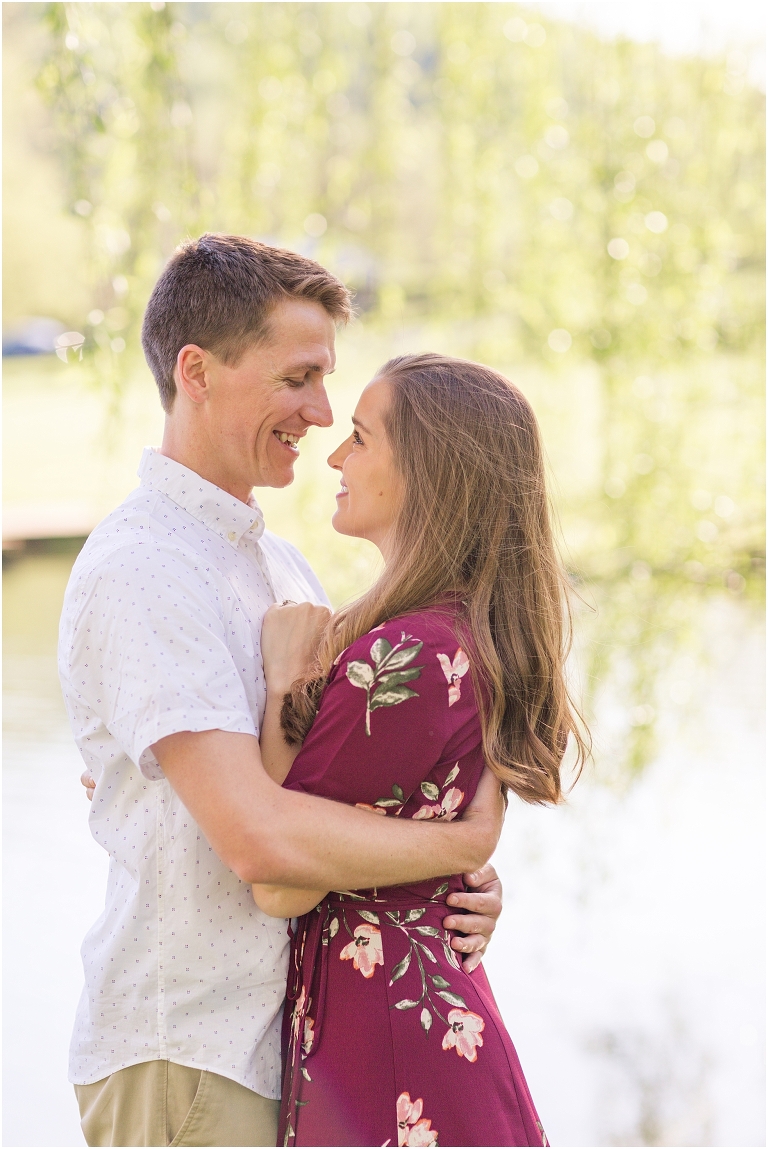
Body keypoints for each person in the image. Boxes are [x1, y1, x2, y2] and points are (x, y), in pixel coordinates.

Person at [61, 235, 505, 1148]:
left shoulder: (280, 566)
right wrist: (455, 840)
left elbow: (348, 789)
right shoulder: (147, 566)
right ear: (199, 371)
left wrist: (454, 883)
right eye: (298, 376)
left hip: (290, 1049)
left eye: (326, 378)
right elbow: (262, 841)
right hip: (188, 1047)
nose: (321, 408)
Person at [249, 353, 588, 1147]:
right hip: (419, 1030)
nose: (335, 454)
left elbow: (279, 879)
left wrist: (278, 688)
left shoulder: (402, 656)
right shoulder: (452, 632)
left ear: (426, 475)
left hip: (394, 1056)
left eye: (361, 439)